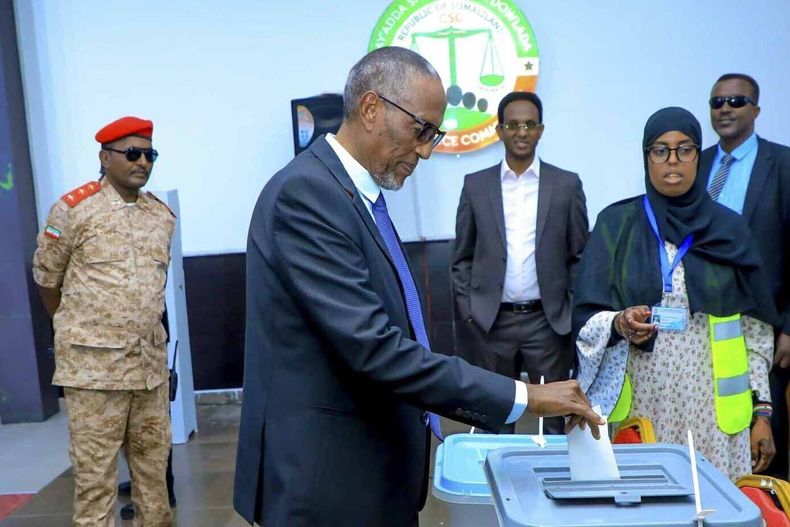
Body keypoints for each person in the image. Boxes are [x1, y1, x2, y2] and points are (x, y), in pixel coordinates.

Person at [233, 47, 602, 527]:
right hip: (327, 482)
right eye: (422, 131)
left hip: (369, 472)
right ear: (371, 109)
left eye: (436, 134)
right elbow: (374, 348)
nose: (427, 150)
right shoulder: (307, 196)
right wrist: (528, 396)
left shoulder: (353, 195)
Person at [574, 107, 778, 481]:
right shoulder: (616, 225)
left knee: (713, 506)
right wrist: (619, 323)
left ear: (698, 156)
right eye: (660, 150)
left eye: (685, 149)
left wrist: (762, 414)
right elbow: (585, 317)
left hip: (714, 416)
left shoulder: (729, 230)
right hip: (642, 407)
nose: (673, 161)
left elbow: (755, 331)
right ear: (646, 156)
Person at [33, 116, 175, 526]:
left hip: (148, 373)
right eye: (132, 153)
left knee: (154, 483)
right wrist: (75, 329)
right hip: (95, 375)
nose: (142, 162)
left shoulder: (160, 217)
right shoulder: (75, 211)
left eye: (149, 154)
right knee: (95, 485)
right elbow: (47, 279)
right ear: (104, 157)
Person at [451, 91, 589, 434]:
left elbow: (580, 256)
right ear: (499, 131)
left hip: (547, 323)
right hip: (491, 323)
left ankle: (555, 486)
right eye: (513, 125)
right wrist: (471, 311)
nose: (522, 132)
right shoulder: (476, 185)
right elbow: (461, 258)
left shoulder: (566, 185)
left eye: (529, 124)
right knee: (494, 422)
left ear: (541, 130)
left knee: (555, 422)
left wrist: (568, 312)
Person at [699, 73, 790, 478]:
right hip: (701, 325)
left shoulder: (784, 164)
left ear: (756, 109)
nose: (724, 109)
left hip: (764, 324)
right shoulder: (695, 162)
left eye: (736, 101)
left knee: (766, 435)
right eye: (717, 102)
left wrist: (789, 324)